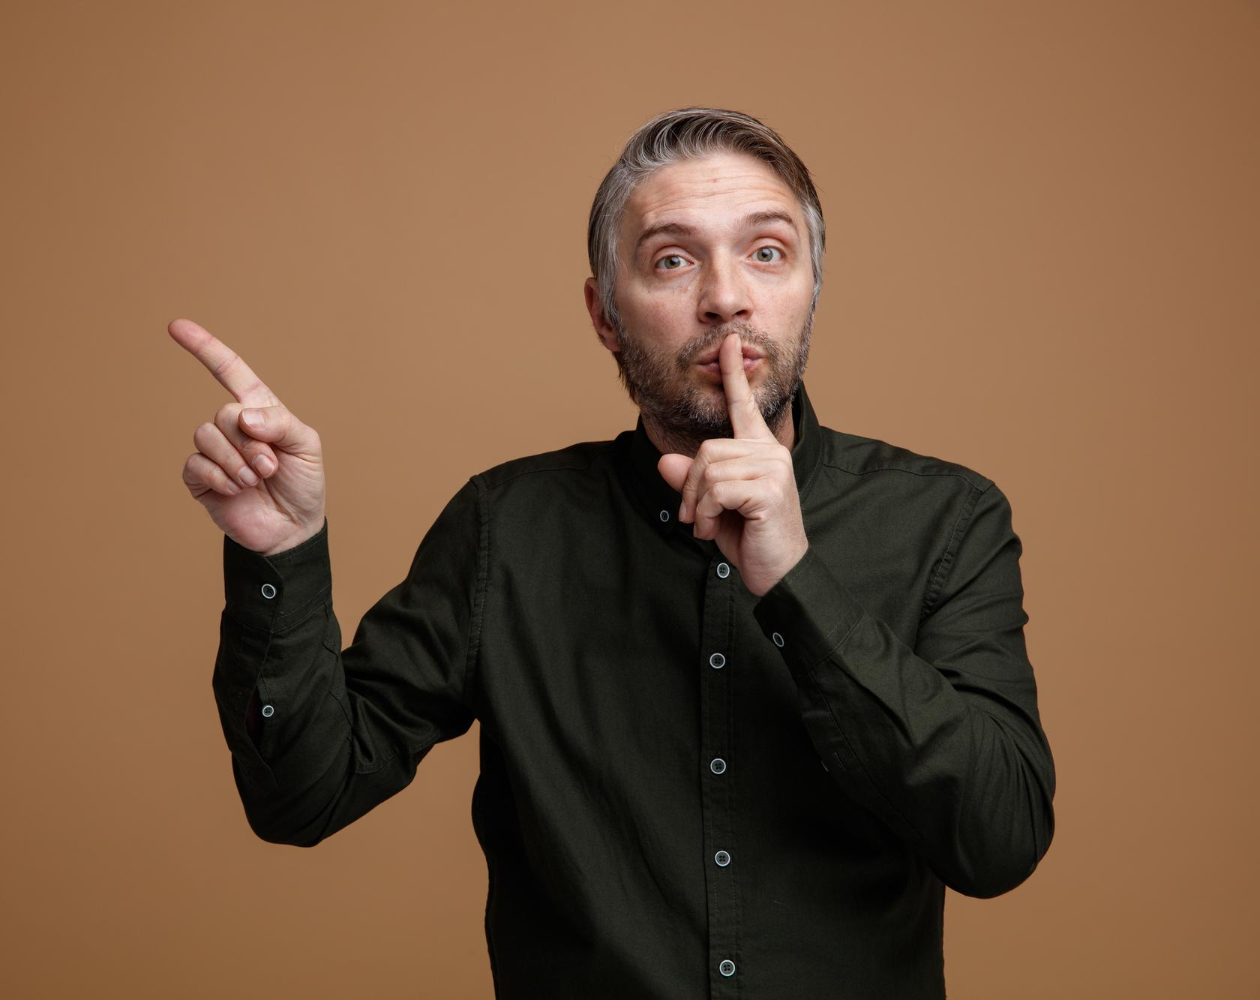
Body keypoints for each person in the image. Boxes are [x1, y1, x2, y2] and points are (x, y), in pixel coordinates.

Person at [171, 106, 1056, 999]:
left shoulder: (947, 519)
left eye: (767, 253)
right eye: (673, 259)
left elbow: (999, 839)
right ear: (604, 315)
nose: (726, 297)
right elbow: (303, 795)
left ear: (812, 287)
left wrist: (797, 582)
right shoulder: (505, 528)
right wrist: (280, 554)